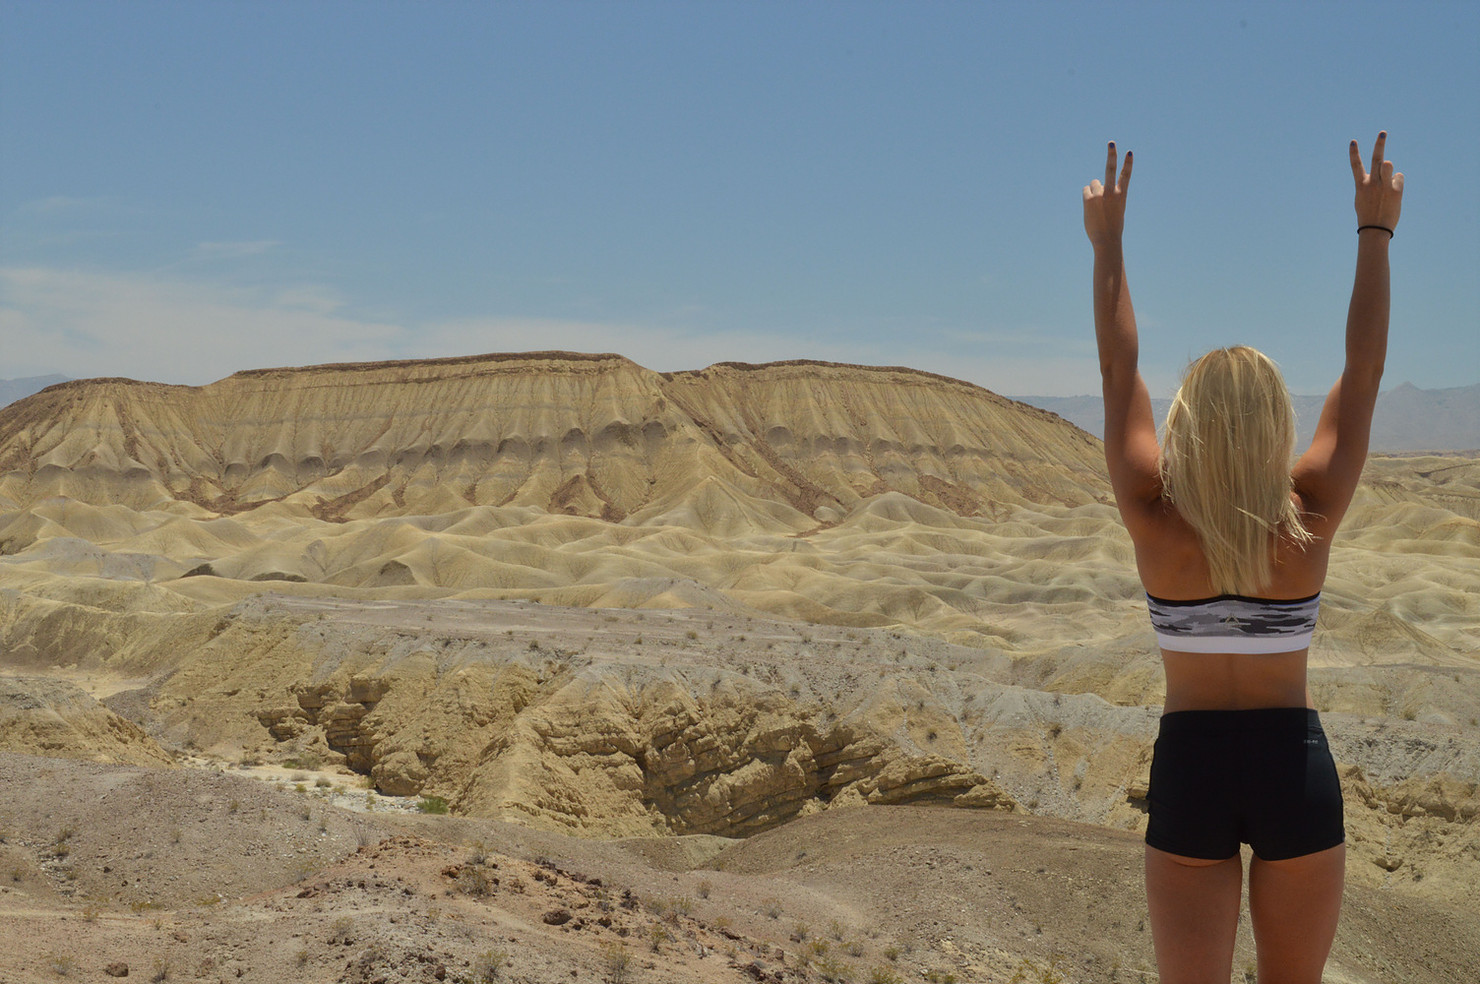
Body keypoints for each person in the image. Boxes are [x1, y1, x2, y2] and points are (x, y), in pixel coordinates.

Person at [1082, 132, 1403, 983]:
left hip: (1189, 766)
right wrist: (1376, 235)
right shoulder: (1309, 517)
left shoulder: (1154, 518)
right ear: (1275, 425)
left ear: (1186, 420)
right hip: (1293, 767)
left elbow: (1119, 370)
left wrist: (1108, 245)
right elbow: (1363, 373)